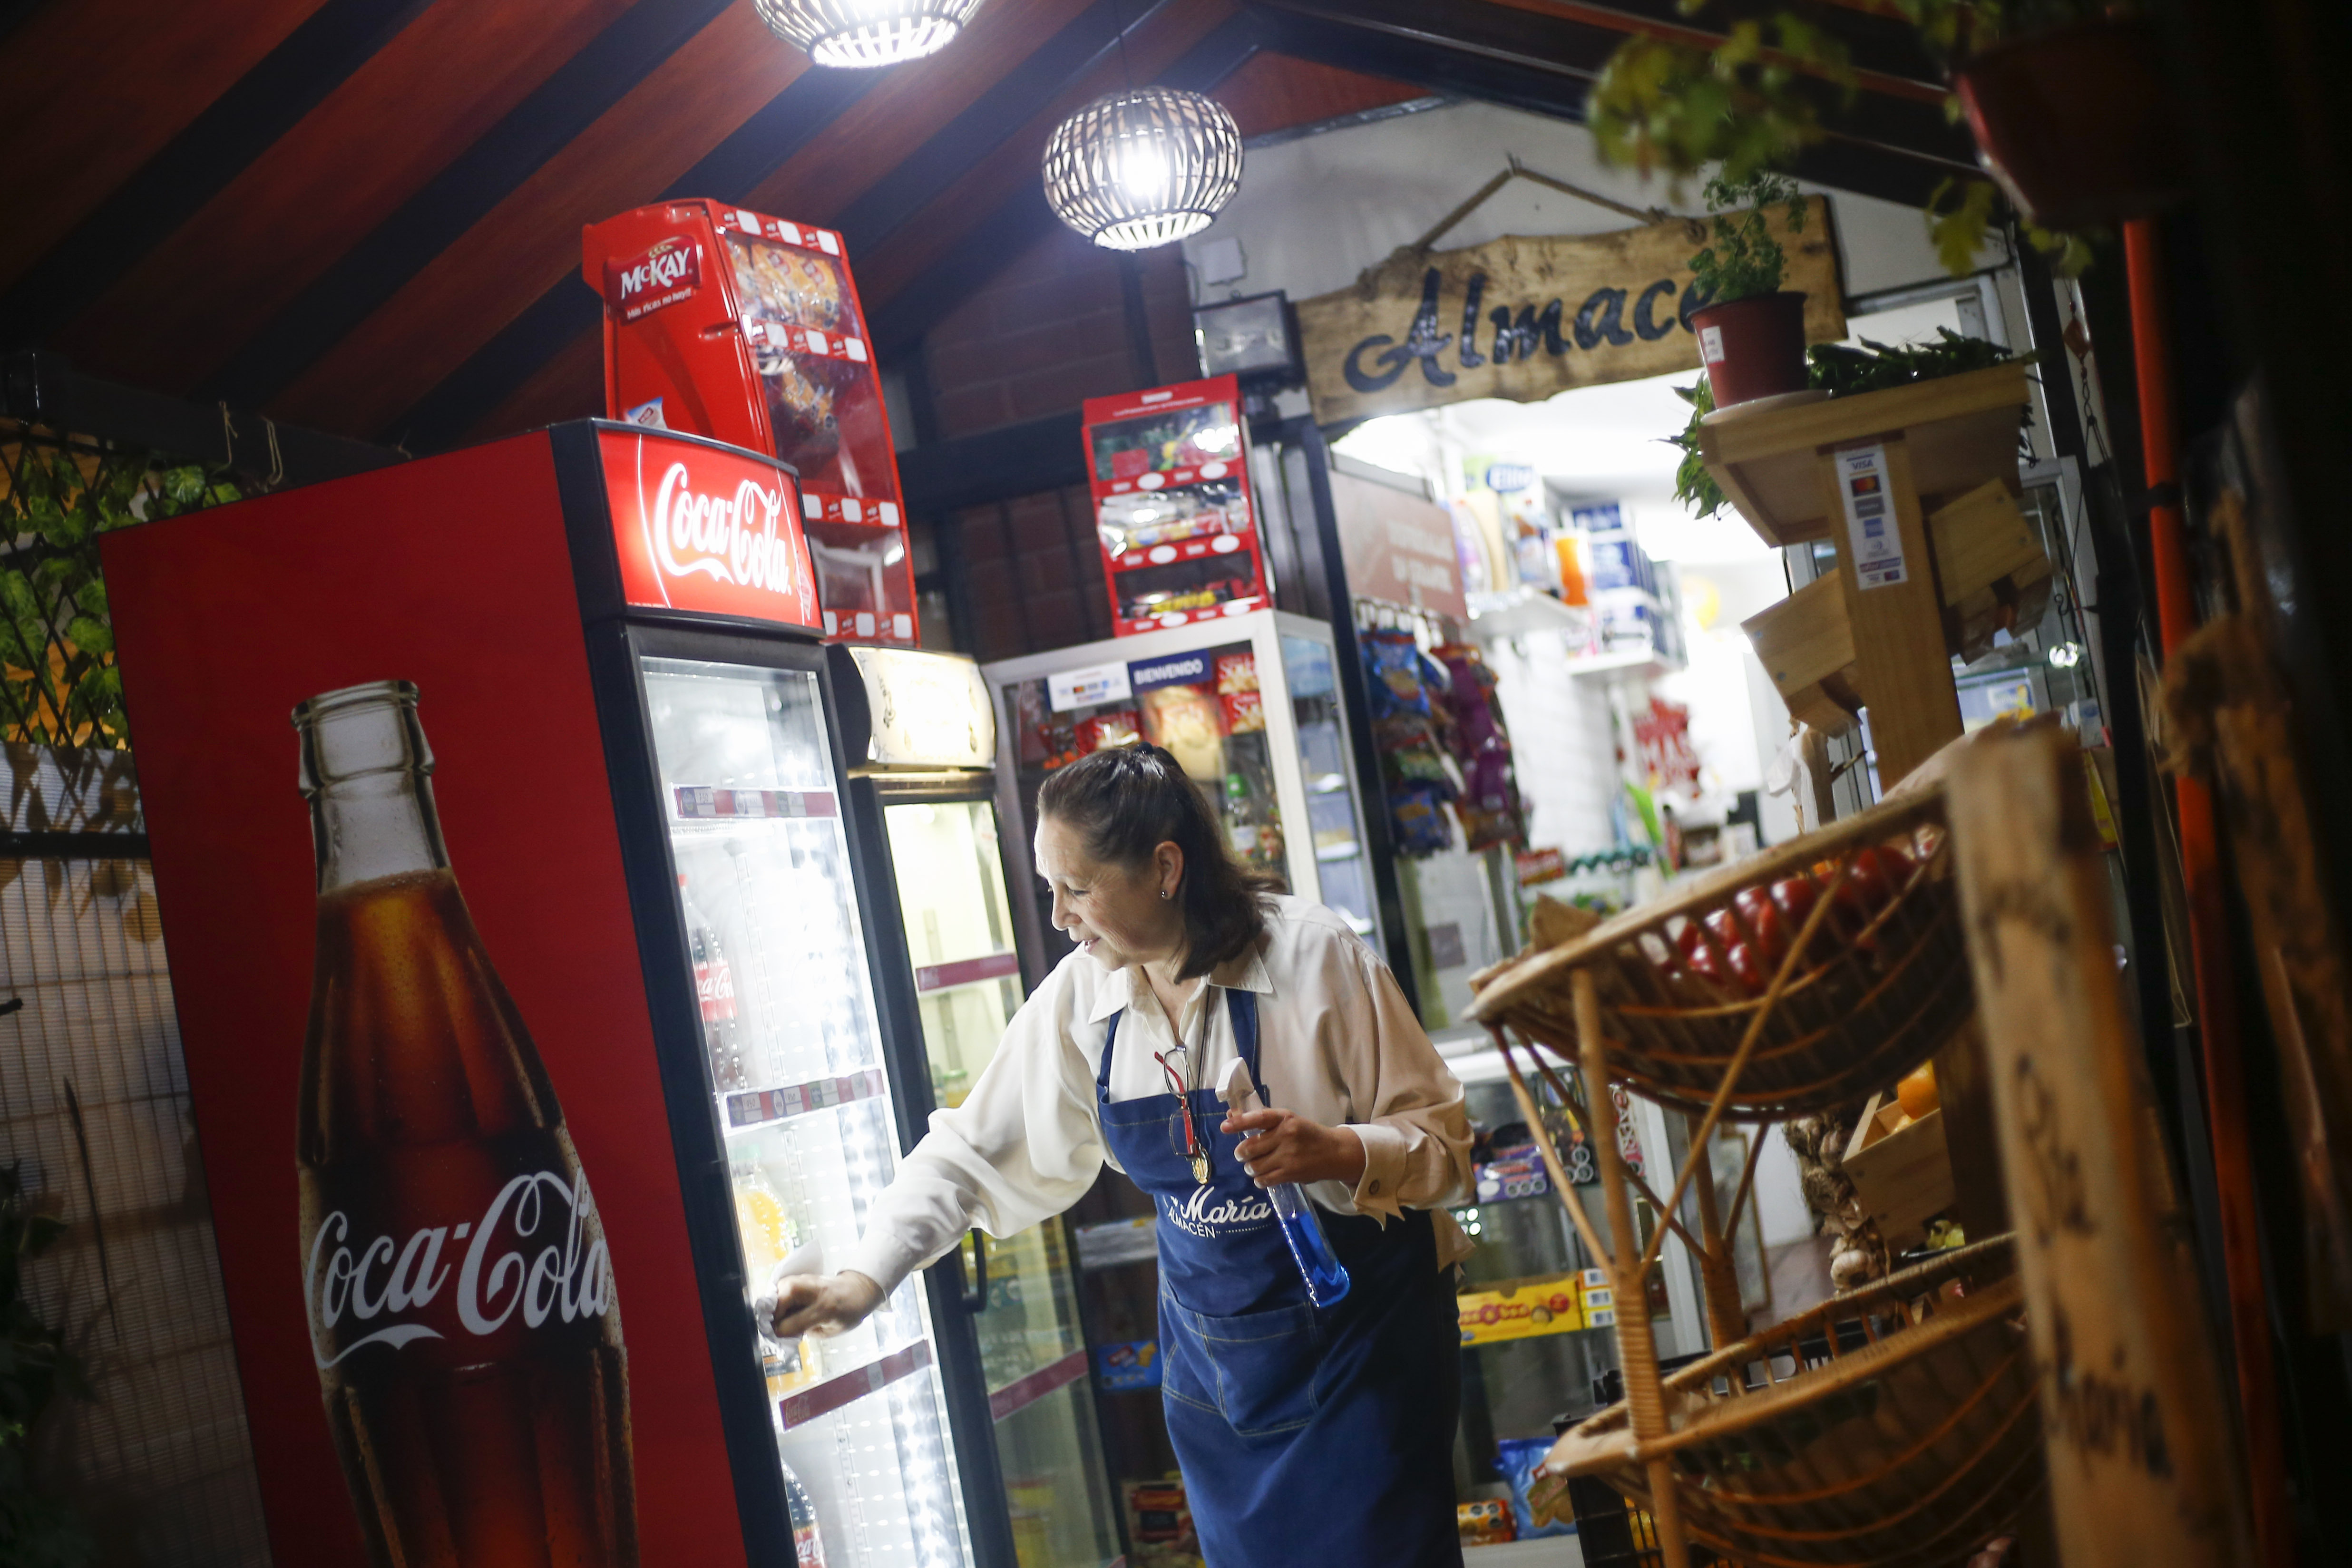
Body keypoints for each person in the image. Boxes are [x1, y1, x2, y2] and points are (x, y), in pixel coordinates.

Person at [761, 742, 1474, 1567]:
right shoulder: (1082, 997)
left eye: (1077, 888)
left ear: (1165, 867)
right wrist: (863, 1277)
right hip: (1217, 1383)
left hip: (1363, 1362)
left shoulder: (1315, 957)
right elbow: (966, 1152)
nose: (1060, 916)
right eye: (1048, 890)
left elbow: (1447, 1146)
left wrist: (1343, 1150)